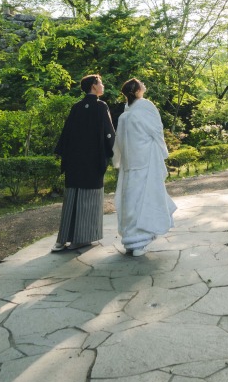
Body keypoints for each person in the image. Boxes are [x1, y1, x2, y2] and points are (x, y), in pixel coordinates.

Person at [52, 73, 115, 253]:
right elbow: (108, 133)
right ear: (94, 86)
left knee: (72, 197)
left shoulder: (77, 107)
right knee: (89, 198)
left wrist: (61, 153)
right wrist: (115, 151)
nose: (102, 85)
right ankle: (82, 239)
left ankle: (63, 238)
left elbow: (66, 133)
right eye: (100, 83)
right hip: (92, 161)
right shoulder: (101, 106)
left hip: (74, 161)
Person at [112, 78, 176, 256]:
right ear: (138, 90)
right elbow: (156, 130)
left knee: (130, 199)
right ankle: (139, 241)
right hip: (145, 160)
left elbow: (119, 142)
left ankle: (131, 240)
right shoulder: (145, 106)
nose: (145, 86)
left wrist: (121, 160)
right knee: (145, 197)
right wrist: (163, 151)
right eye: (142, 84)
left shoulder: (125, 115)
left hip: (130, 161)